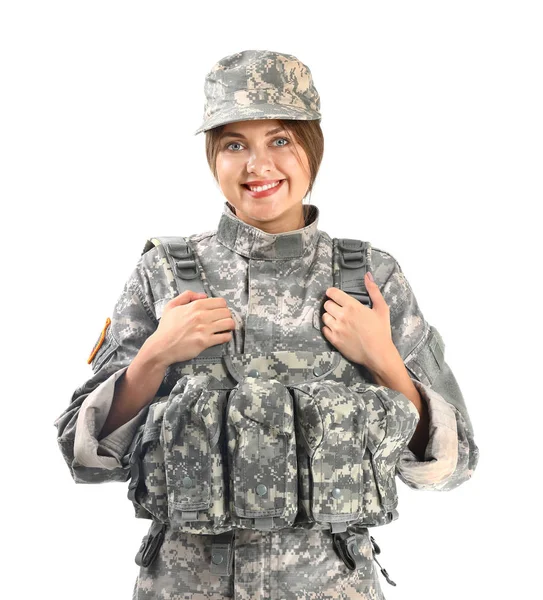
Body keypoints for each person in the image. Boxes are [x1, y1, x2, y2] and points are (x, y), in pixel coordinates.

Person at [53, 49, 479, 600]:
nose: (259, 167)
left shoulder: (371, 276)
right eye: (235, 144)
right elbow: (81, 456)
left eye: (280, 140)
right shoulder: (162, 272)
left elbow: (454, 464)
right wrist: (153, 357)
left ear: (312, 148)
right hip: (186, 587)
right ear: (213, 157)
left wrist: (384, 359)